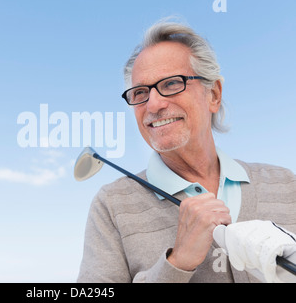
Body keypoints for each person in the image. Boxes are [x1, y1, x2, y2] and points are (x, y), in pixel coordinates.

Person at [77, 19, 296, 283]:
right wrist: (177, 262)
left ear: (213, 94)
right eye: (140, 92)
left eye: (171, 83)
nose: (154, 104)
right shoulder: (112, 206)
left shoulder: (286, 185)